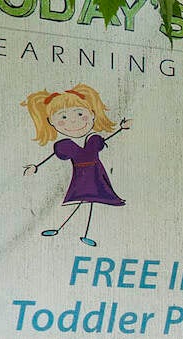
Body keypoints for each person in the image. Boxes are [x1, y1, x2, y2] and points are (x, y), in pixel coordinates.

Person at [21, 84, 130, 247]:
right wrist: (35, 167)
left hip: (95, 173)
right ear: (51, 122)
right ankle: (59, 228)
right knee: (80, 201)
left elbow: (107, 139)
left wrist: (121, 128)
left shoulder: (94, 139)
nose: (73, 120)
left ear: (92, 115)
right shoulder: (65, 145)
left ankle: (85, 233)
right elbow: (51, 157)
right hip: (81, 175)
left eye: (80, 114)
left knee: (90, 201)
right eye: (63, 117)